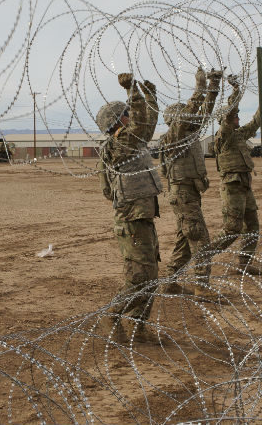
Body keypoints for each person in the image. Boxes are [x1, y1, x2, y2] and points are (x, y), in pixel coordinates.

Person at [97, 73, 163, 343]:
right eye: (127, 113)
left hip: (141, 216)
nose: (131, 116)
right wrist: (133, 92)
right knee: (139, 279)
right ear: (119, 120)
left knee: (150, 277)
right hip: (131, 219)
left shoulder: (132, 141)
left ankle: (138, 327)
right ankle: (111, 316)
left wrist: (150, 97)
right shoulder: (121, 144)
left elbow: (146, 123)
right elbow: (142, 123)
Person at [157, 68, 223, 297]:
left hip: (188, 194)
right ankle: (202, 288)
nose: (193, 119)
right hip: (183, 194)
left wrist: (213, 87)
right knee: (200, 237)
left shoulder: (186, 135)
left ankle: (170, 281)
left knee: (185, 239)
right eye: (187, 117)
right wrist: (200, 88)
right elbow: (192, 112)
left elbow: (204, 112)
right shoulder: (174, 136)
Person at [210, 75, 262, 275]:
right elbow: (230, 113)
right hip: (232, 185)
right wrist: (235, 91)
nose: (238, 118)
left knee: (252, 225)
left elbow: (255, 122)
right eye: (236, 116)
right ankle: (205, 255)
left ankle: (244, 264)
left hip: (244, 184)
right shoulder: (224, 136)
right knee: (232, 228)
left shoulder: (238, 134)